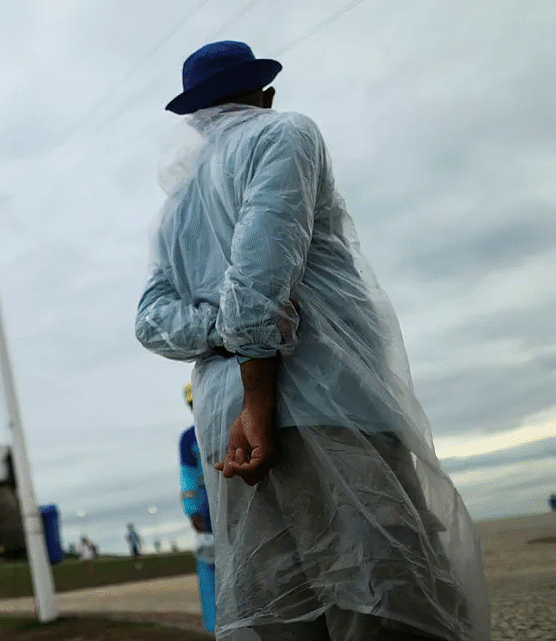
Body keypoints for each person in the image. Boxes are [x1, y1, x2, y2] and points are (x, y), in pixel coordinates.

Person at [135, 40, 489, 641]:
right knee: (382, 601)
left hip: (227, 431)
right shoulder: (282, 134)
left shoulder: (177, 207)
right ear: (265, 95)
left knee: (285, 612)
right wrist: (259, 399)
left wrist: (218, 334)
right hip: (322, 401)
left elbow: (153, 319)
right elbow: (261, 271)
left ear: (196, 116)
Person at [179, 382, 215, 633]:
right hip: (207, 509)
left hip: (235, 502)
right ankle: (216, 626)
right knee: (210, 566)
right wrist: (192, 510)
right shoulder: (189, 438)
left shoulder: (227, 422)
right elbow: (188, 477)